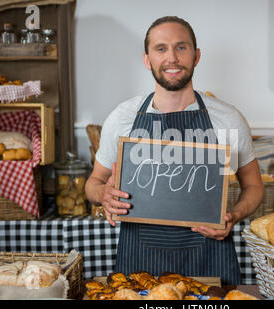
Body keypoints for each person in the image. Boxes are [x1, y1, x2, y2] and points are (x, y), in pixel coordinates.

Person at [85, 16, 264, 285]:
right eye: (161, 49)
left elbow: (254, 186)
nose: (172, 58)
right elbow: (93, 184)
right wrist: (103, 194)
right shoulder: (123, 117)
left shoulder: (226, 119)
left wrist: (234, 216)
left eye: (181, 47)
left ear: (196, 56)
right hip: (139, 266)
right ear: (147, 59)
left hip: (210, 263)